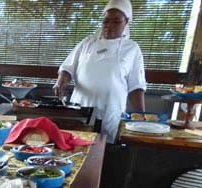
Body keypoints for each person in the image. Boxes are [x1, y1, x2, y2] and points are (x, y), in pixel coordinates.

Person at [53, 0, 146, 143]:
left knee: (104, 154)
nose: (109, 25)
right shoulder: (87, 43)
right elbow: (67, 68)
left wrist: (142, 118)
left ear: (126, 23)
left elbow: (136, 87)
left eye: (116, 21)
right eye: (106, 21)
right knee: (76, 146)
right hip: (81, 110)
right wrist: (61, 82)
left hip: (110, 112)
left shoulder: (132, 49)